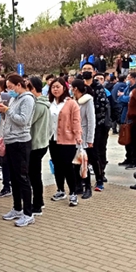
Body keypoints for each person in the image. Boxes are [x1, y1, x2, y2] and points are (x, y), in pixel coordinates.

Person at [0, 74, 36, 226]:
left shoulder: (27, 99)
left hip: (21, 142)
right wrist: (2, 111)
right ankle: (17, 208)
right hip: (10, 141)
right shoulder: (14, 99)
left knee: (22, 177)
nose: (9, 90)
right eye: (7, 88)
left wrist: (8, 110)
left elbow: (23, 120)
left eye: (11, 87)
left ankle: (28, 213)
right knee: (14, 177)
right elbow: (10, 119)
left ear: (19, 85)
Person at [46, 77, 82, 205]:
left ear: (64, 88)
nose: (55, 89)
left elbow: (76, 121)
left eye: (58, 87)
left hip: (67, 139)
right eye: (53, 87)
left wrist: (78, 135)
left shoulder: (71, 103)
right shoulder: (49, 103)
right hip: (52, 139)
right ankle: (60, 190)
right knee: (57, 165)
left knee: (67, 166)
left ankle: (73, 192)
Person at [24, 76, 50, 216]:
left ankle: (38, 204)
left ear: (33, 88)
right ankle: (39, 202)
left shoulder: (39, 105)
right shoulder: (42, 102)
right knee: (34, 174)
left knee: (34, 175)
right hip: (40, 142)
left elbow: (27, 121)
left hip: (36, 144)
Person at [70, 78, 96, 197]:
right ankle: (78, 186)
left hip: (83, 135)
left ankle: (88, 188)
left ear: (75, 88)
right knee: (75, 162)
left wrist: (90, 139)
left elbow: (91, 120)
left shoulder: (87, 100)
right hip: (73, 136)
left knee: (83, 162)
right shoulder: (73, 100)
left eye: (72, 87)